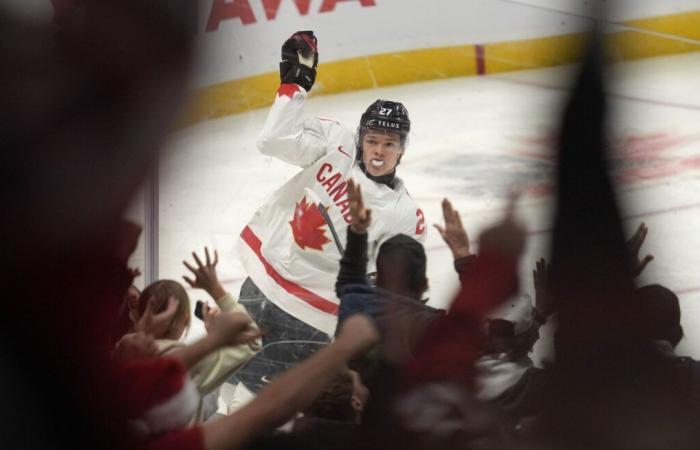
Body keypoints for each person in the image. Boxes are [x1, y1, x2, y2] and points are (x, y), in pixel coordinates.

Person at [236, 30, 426, 395]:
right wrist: (294, 87)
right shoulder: (335, 143)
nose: (379, 151)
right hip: (260, 280)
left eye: (390, 144)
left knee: (259, 406)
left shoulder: (405, 215)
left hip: (307, 315)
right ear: (360, 138)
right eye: (372, 140)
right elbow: (273, 141)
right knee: (222, 383)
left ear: (402, 149)